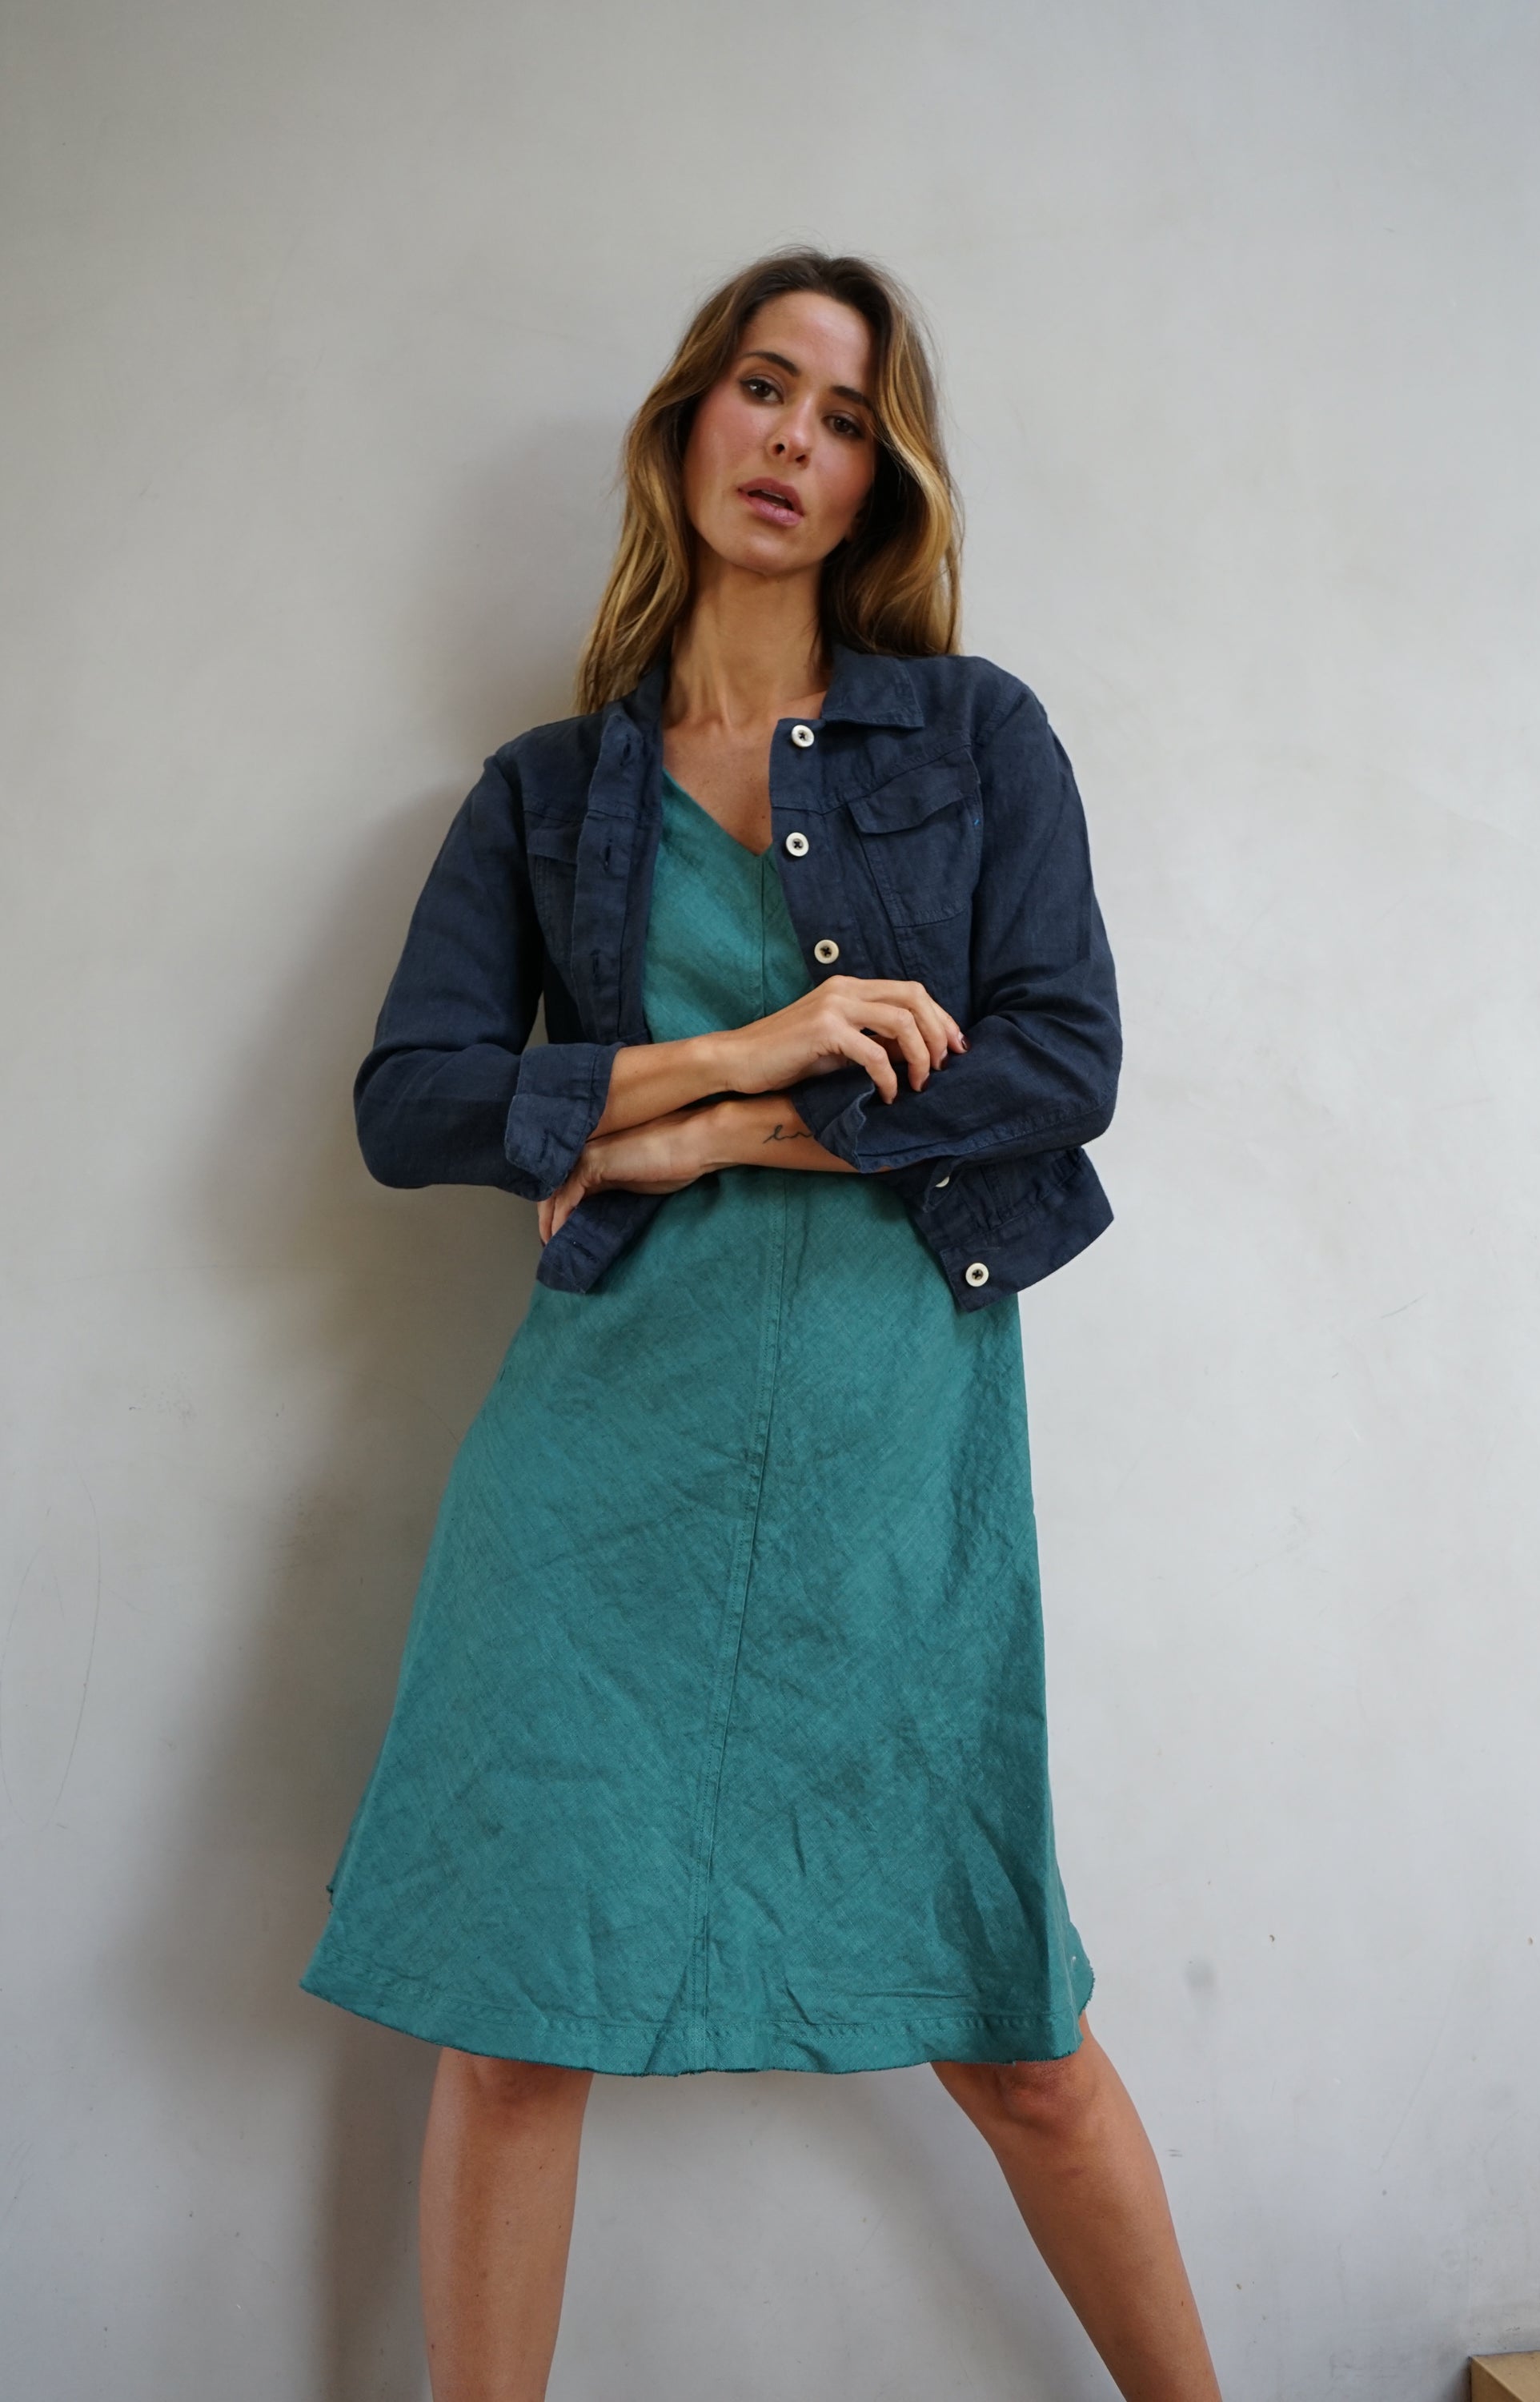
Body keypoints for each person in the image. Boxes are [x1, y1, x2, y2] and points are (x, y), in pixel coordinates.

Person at [301, 247, 1221, 2402]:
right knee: (516, 2028)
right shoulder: (548, 793)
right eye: (762, 386)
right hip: (604, 1457)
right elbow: (412, 1104)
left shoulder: (976, 739)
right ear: (687, 422)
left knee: (1016, 2029)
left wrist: (717, 1136)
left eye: (843, 414)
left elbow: (1061, 1063)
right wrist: (736, 1053)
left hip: (893, 1445)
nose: (795, 438)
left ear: (883, 478)